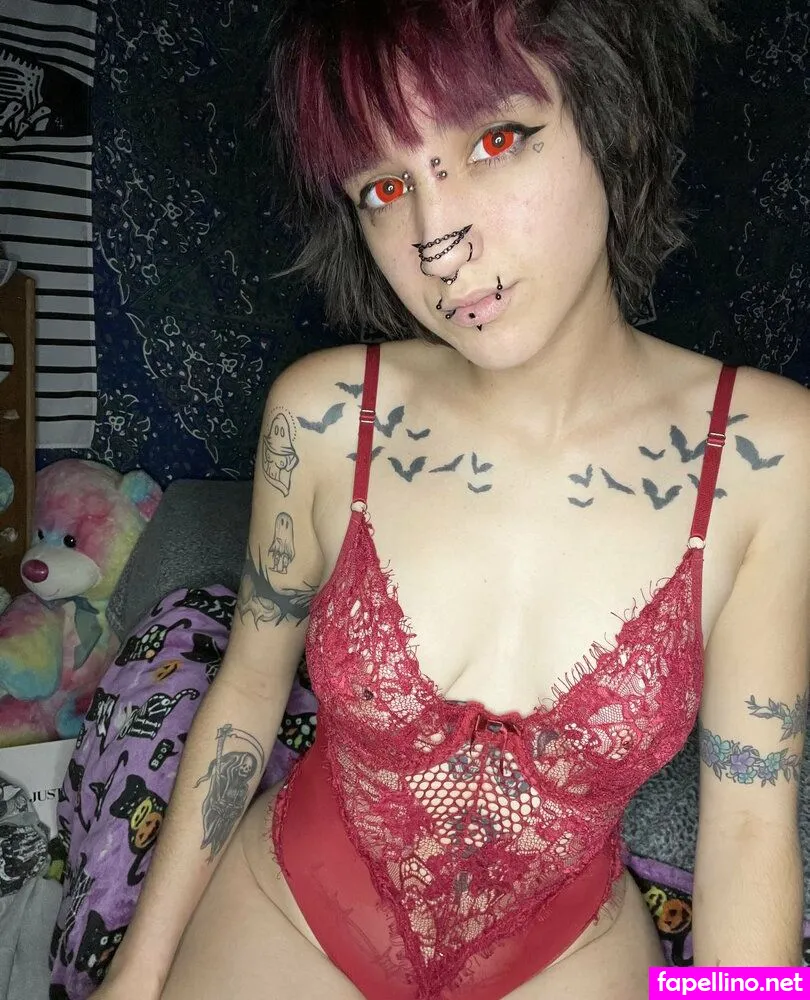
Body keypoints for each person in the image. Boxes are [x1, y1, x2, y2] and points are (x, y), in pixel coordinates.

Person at [94, 1, 810, 997]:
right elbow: (249, 693)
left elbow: (750, 822)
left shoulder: (770, 452)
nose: (438, 244)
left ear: (607, 116)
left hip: (567, 956)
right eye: (386, 187)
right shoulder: (324, 415)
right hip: (293, 911)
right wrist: (137, 975)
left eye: (495, 141)